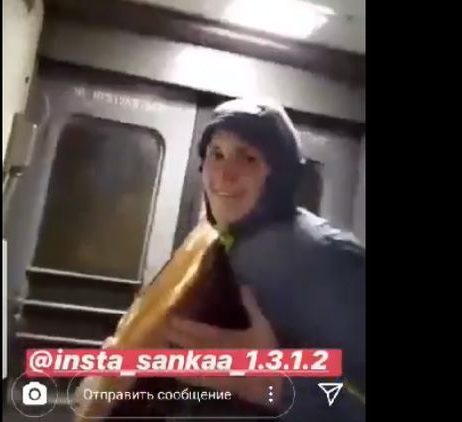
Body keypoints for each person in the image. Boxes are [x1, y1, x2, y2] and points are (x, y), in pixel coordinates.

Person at [91, 98, 364, 421]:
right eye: (216, 154)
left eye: (248, 158)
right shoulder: (213, 242)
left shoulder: (324, 256)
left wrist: (278, 384)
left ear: (281, 175)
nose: (224, 174)